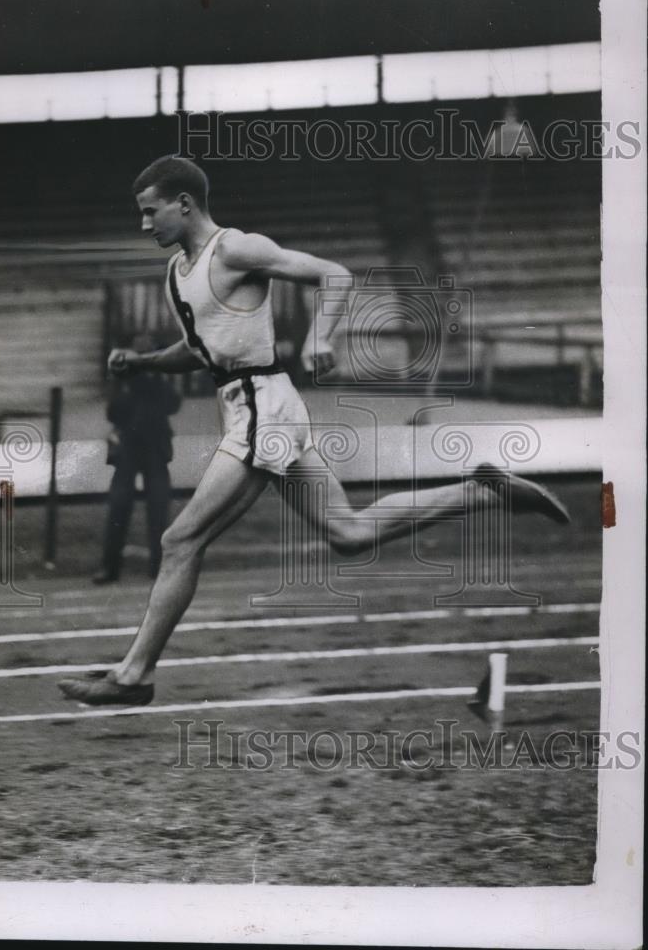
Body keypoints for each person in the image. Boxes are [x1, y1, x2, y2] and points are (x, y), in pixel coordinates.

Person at [59, 155, 570, 706]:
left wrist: (318, 337)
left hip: (264, 409)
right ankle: (480, 491)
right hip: (254, 407)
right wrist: (144, 363)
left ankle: (134, 677)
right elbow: (203, 349)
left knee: (179, 540)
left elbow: (336, 274)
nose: (144, 224)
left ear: (183, 204)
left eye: (150, 212)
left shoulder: (234, 248)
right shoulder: (177, 273)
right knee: (348, 533)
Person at [92, 332, 181, 584]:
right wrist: (130, 380)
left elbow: (173, 403)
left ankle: (158, 567)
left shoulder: (158, 378)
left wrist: (151, 377)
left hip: (154, 446)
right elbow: (113, 411)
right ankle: (110, 567)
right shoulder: (125, 378)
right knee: (120, 506)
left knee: (158, 509)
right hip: (130, 447)